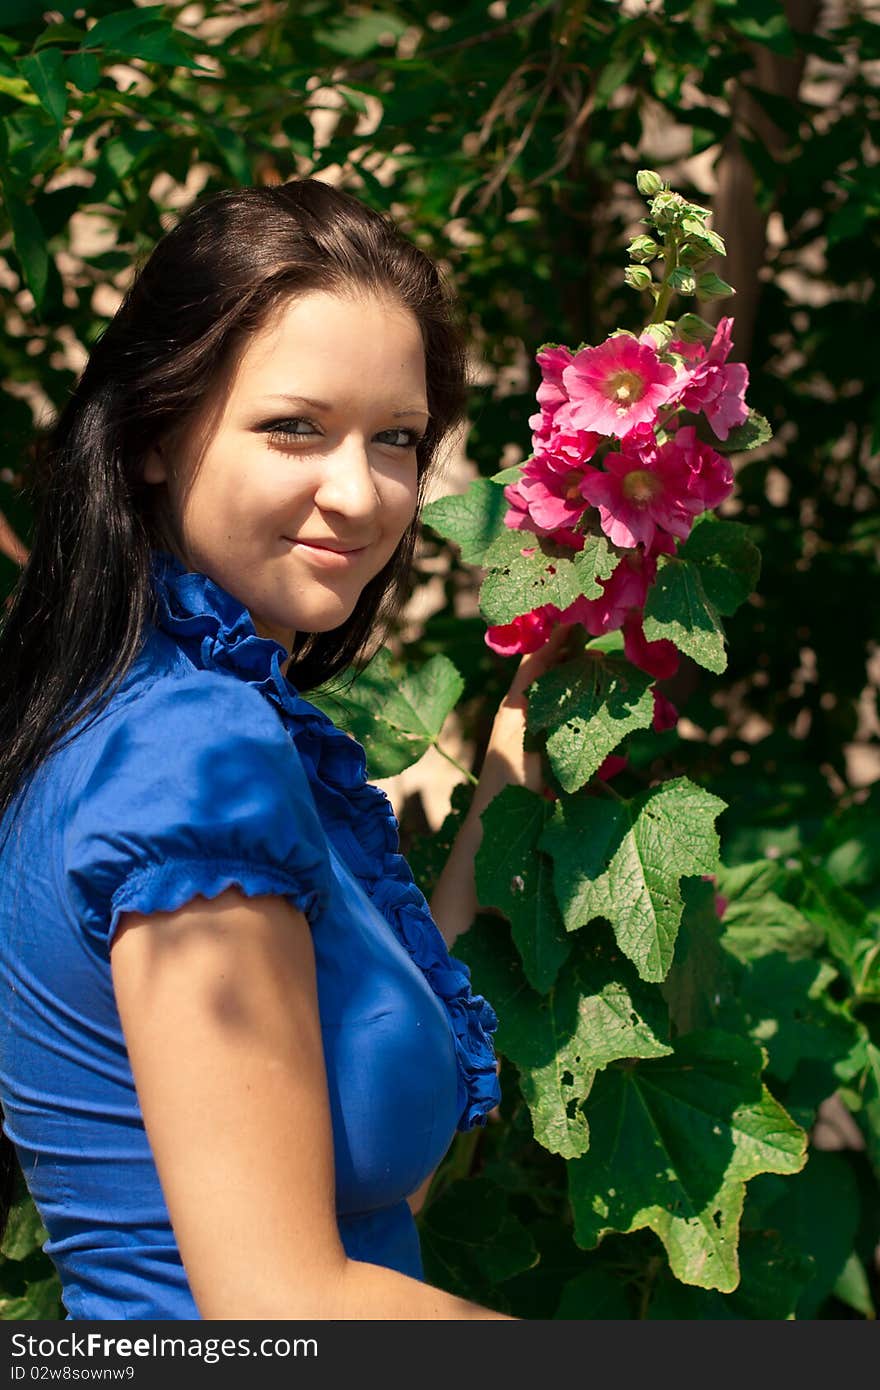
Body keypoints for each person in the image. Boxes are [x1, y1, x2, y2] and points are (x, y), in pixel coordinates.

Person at [0, 179, 558, 1321]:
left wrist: (513, 755)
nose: (359, 494)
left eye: (396, 439)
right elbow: (281, 1309)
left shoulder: (153, 709)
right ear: (156, 433)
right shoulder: (190, 761)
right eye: (294, 427)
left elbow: (365, 1134)